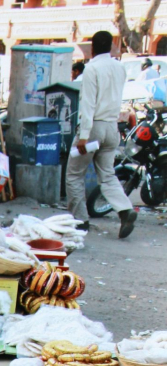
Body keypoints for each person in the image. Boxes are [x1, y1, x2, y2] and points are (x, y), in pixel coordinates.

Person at [66, 30, 137, 239]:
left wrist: (83, 136)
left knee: (74, 175)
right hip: (111, 127)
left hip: (93, 128)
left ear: (93, 48)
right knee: (107, 174)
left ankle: (80, 221)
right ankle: (125, 210)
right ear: (112, 46)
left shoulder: (91, 69)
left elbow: (88, 104)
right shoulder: (119, 68)